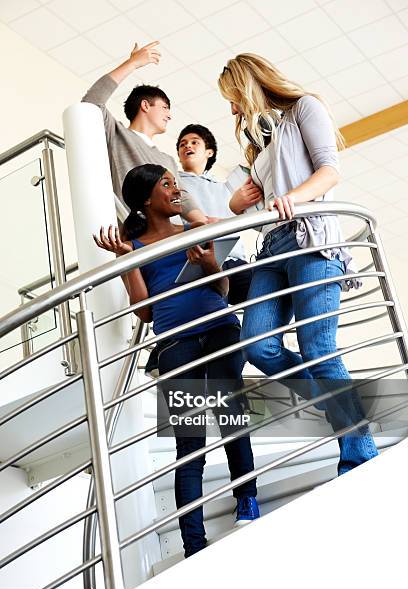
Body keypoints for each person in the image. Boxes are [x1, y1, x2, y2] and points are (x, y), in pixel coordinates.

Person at [218, 53, 378, 475]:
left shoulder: (304, 107)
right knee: (258, 346)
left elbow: (330, 171)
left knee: (318, 350)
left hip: (310, 240)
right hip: (272, 249)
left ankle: (358, 451)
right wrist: (237, 202)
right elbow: (247, 202)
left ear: (246, 85)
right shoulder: (260, 142)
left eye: (232, 98)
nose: (232, 109)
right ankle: (342, 411)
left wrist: (296, 197)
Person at [93, 163, 259, 558]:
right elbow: (144, 312)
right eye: (167, 184)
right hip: (174, 345)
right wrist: (126, 263)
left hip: (219, 328)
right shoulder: (132, 248)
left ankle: (247, 500)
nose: (176, 189)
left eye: (175, 183)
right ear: (147, 199)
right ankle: (193, 543)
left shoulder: (195, 231)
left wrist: (206, 262)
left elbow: (221, 288)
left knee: (231, 416)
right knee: (190, 443)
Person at [82, 41, 205, 223]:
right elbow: (90, 104)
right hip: (138, 237)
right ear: (145, 105)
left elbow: (183, 197)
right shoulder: (116, 134)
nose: (169, 116)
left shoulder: (167, 160)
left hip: (174, 237)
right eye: (165, 107)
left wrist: (203, 223)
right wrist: (132, 63)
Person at [177, 124, 262, 305]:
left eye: (194, 142)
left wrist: (223, 222)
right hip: (200, 263)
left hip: (235, 259)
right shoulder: (176, 184)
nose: (187, 146)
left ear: (209, 152)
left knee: (266, 292)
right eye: (182, 144)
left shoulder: (226, 187)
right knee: (215, 315)